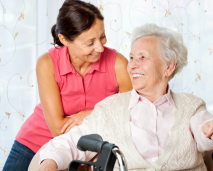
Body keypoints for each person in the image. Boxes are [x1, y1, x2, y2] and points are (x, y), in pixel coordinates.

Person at [37, 23, 213, 171]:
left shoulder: (191, 106)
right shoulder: (109, 109)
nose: (132, 65)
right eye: (131, 58)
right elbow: (73, 141)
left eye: (142, 57)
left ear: (169, 67)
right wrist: (50, 162)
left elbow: (206, 132)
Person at [3, 0, 132, 170]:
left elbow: (132, 112)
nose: (100, 47)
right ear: (64, 39)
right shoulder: (47, 63)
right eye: (90, 43)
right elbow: (58, 129)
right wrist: (96, 115)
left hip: (88, 146)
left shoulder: (118, 64)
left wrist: (87, 114)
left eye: (102, 36)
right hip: (34, 142)